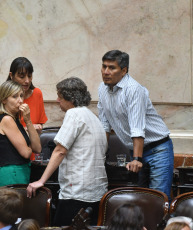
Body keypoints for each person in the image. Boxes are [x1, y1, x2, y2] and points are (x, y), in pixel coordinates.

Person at [27, 77, 108, 226]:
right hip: (96, 192)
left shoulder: (74, 114)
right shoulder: (93, 117)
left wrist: (41, 181)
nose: (57, 100)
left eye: (60, 96)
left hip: (77, 192)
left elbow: (60, 151)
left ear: (71, 98)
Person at [97, 50, 174, 199]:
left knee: (158, 198)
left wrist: (137, 159)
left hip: (158, 149)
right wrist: (101, 155)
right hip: (135, 150)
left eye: (112, 68)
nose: (106, 72)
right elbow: (104, 126)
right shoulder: (102, 89)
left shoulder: (133, 89)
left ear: (124, 70)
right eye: (104, 66)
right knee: (140, 198)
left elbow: (137, 126)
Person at [0, 57, 48, 160]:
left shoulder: (37, 93)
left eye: (29, 76)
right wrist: (25, 129)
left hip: (27, 154)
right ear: (11, 75)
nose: (27, 81)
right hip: (1, 156)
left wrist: (33, 127)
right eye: (22, 76)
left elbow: (39, 126)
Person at [0, 81, 41, 187]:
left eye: (21, 96)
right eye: (15, 97)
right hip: (12, 174)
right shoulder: (6, 119)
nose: (20, 101)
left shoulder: (15, 119)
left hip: (20, 172)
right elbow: (26, 153)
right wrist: (29, 147)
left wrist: (28, 121)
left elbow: (37, 148)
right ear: (4, 99)